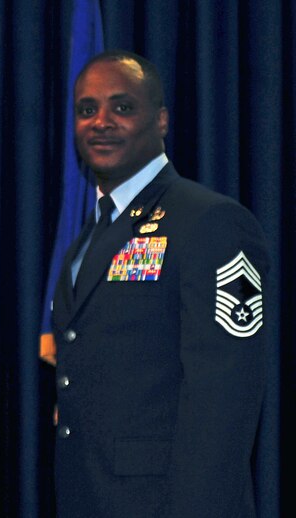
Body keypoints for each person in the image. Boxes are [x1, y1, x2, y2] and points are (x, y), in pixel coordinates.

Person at [51, 50, 269, 517]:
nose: (101, 122)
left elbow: (224, 399)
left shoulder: (210, 221)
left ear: (162, 120)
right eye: (87, 109)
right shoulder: (93, 234)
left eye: (122, 107)